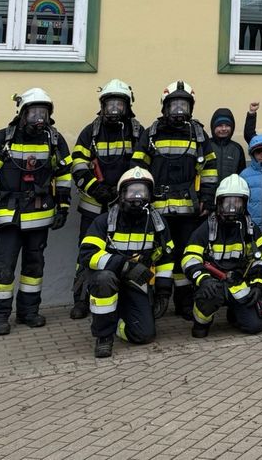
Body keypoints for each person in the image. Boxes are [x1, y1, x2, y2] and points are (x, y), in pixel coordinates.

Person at [0, 88, 72, 336]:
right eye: (34, 113)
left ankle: (28, 312)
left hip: (39, 216)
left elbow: (63, 174)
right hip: (9, 216)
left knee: (34, 267)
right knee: (3, 268)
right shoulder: (2, 139)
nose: (39, 118)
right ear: (22, 113)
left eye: (43, 113)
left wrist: (63, 206)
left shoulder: (54, 140)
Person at [68, 78, 148, 320]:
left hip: (126, 206)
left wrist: (127, 192)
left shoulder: (137, 131)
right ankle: (82, 299)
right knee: (88, 251)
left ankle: (126, 295)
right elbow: (78, 164)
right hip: (94, 205)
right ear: (102, 105)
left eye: (119, 104)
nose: (114, 109)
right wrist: (96, 188)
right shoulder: (89, 132)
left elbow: (143, 165)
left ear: (127, 106)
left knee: (126, 249)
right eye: (110, 104)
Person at [78, 166, 173, 358]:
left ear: (150, 196)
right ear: (121, 195)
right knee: (104, 278)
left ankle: (117, 323)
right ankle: (104, 336)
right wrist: (123, 264)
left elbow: (166, 257)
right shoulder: (105, 221)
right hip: (108, 279)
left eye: (142, 192)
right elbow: (87, 255)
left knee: (144, 335)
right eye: (132, 192)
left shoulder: (158, 223)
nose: (137, 197)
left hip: (135, 283)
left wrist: (163, 291)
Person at [147, 80, 216, 318]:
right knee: (160, 254)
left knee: (186, 254)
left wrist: (207, 198)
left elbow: (209, 169)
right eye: (174, 105)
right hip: (157, 209)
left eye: (183, 106)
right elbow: (138, 166)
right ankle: (157, 299)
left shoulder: (198, 134)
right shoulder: (152, 133)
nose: (178, 111)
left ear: (191, 108)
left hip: (189, 210)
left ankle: (184, 303)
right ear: (165, 107)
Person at [183, 175, 262, 337]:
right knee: (208, 297)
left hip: (238, 284)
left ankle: (235, 314)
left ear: (244, 204)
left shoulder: (249, 229)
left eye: (237, 202)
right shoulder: (207, 227)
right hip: (212, 283)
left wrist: (257, 285)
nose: (231, 207)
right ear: (218, 202)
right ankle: (201, 322)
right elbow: (189, 258)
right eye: (227, 202)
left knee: (256, 326)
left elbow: (260, 259)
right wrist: (203, 279)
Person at [206, 108, 246, 184]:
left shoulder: (237, 148)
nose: (224, 129)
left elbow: (241, 175)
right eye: (220, 125)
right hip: (207, 193)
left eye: (227, 125)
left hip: (230, 193)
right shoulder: (206, 145)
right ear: (213, 127)